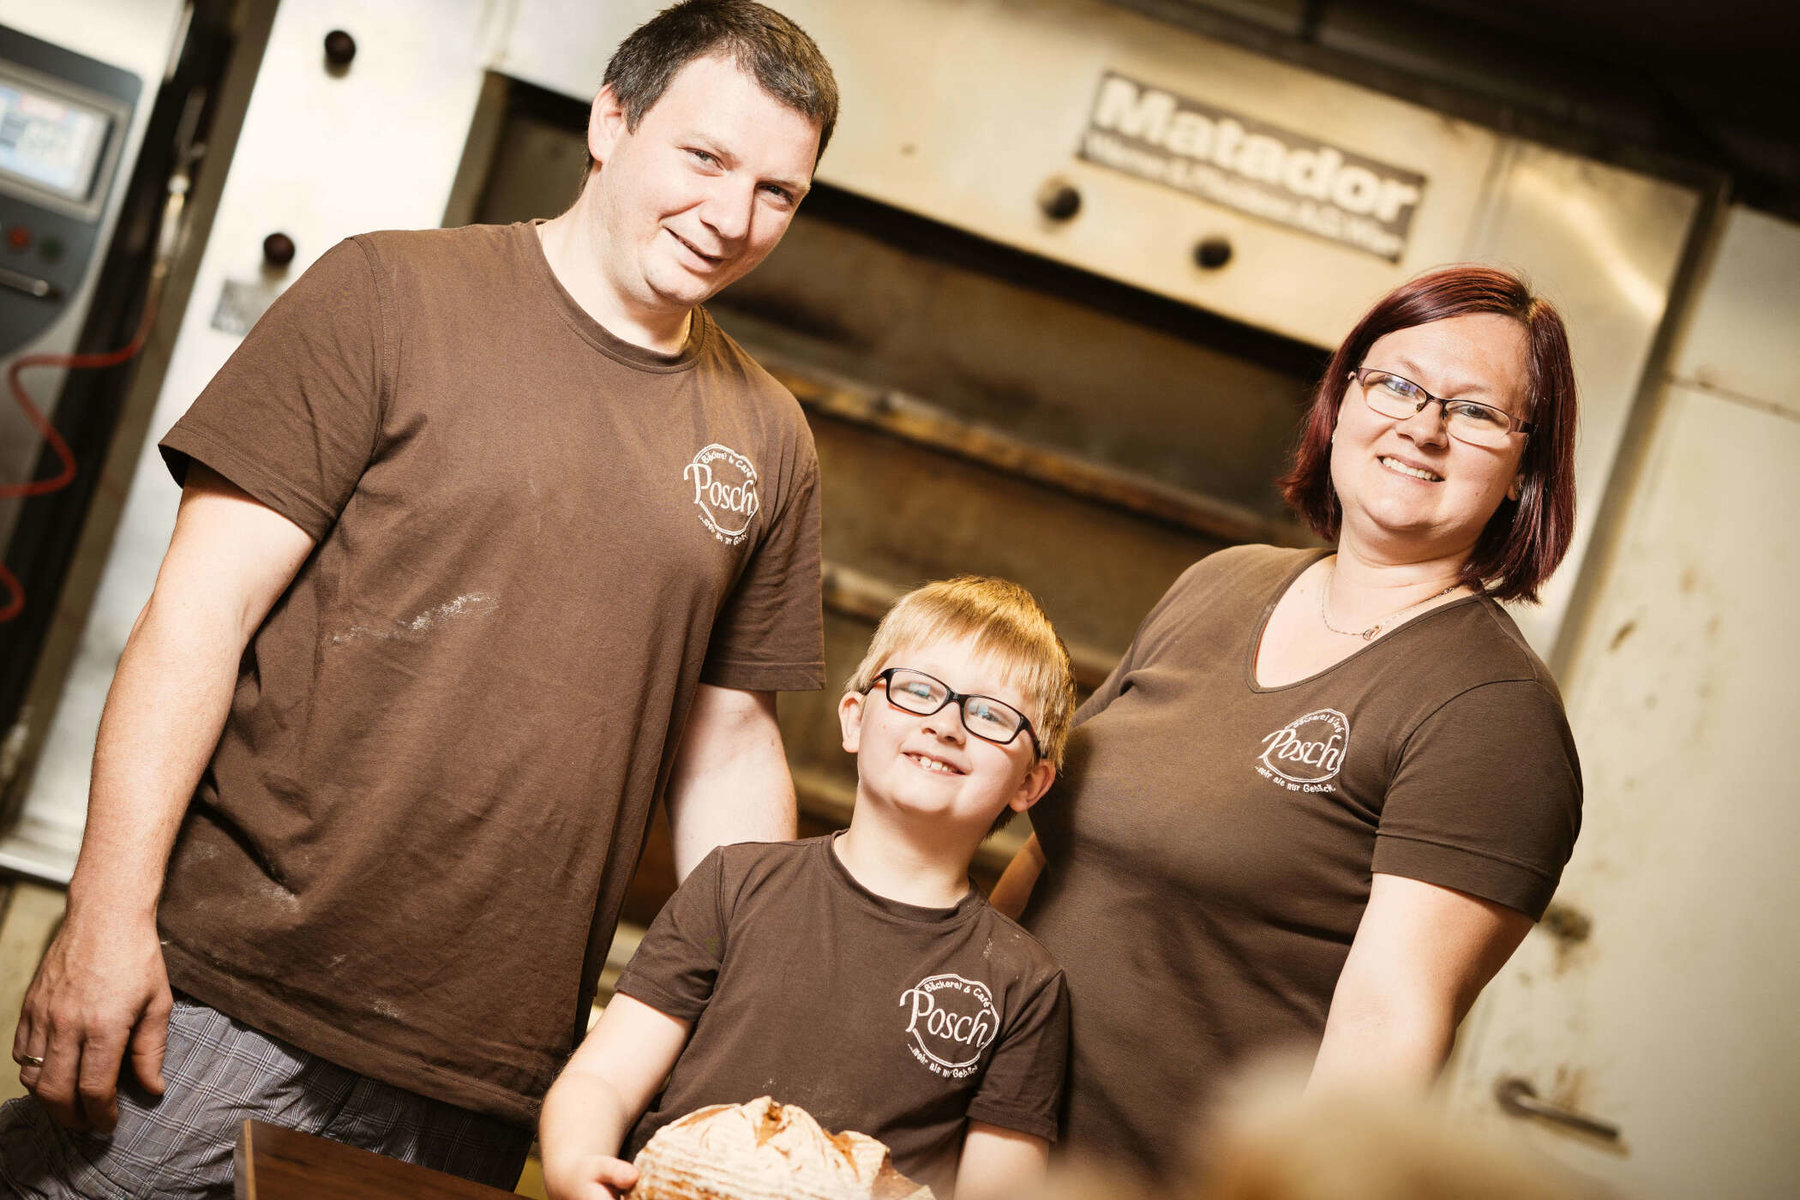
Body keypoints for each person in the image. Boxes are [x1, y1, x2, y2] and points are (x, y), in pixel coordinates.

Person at [2, 2, 837, 1195]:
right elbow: (200, 614)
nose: (731, 216)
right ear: (612, 118)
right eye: (705, 157)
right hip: (220, 1000)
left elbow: (729, 745)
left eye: (777, 192)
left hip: (492, 1071)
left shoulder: (766, 437)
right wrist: (104, 914)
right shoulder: (391, 292)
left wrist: (732, 1035)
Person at [991, 265, 1584, 1181]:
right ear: (1342, 401)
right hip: (974, 1142)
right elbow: (1049, 857)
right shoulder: (1221, 584)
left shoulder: (1488, 714)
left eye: (1474, 412)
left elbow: (1386, 1031)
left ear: (1523, 470)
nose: (1421, 426)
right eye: (1396, 383)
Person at [538, 577, 1077, 1200]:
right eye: (919, 690)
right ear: (854, 719)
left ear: (1030, 785)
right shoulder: (733, 883)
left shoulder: (1024, 983)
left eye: (990, 714)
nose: (947, 725)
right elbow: (603, 1077)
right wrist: (576, 1162)